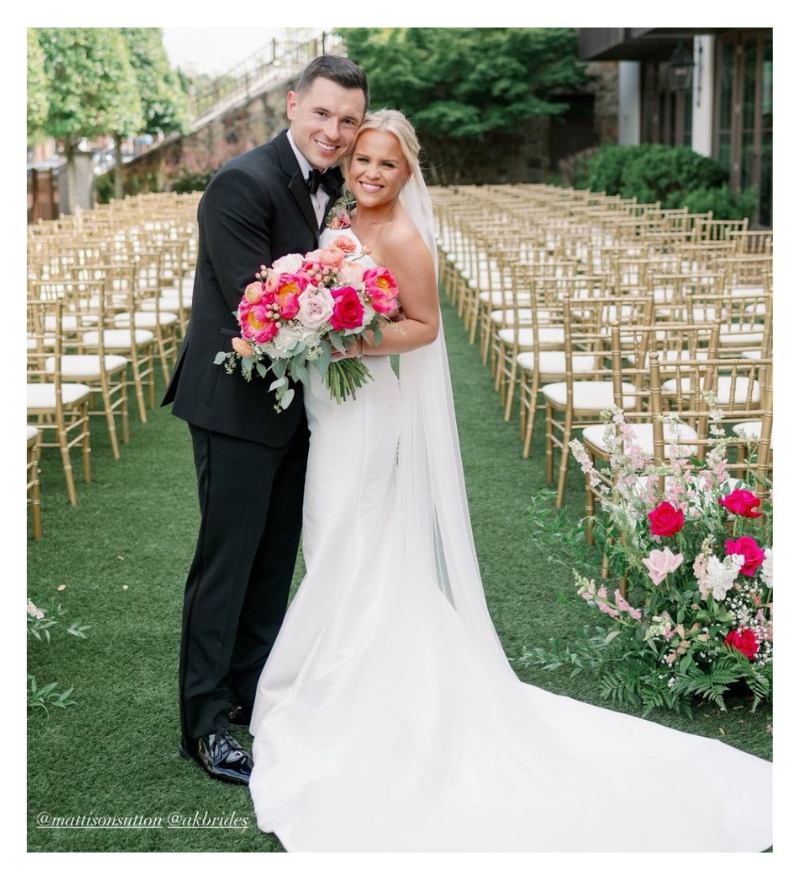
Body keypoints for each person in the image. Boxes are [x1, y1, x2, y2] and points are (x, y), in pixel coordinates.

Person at [245, 108, 800, 853]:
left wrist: (343, 333)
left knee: (348, 531)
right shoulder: (347, 216)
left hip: (368, 411)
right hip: (333, 407)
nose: (371, 173)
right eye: (363, 161)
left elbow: (425, 326)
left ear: (408, 173)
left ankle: (349, 689)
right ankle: (339, 671)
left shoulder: (404, 235)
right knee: (337, 537)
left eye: (386, 164)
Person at [161, 55, 369, 785]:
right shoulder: (238, 185)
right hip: (236, 407)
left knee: (275, 560)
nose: (334, 131)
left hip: (301, 410)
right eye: (322, 114)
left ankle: (253, 693)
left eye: (348, 120)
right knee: (227, 564)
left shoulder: (343, 187)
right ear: (290, 105)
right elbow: (262, 306)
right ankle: (204, 722)